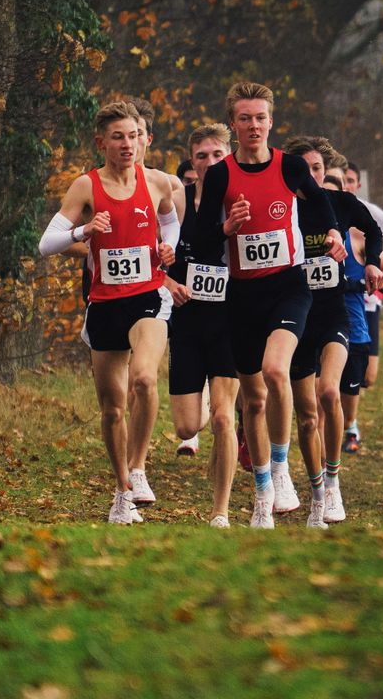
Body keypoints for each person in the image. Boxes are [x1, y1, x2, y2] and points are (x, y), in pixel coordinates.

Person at [185, 81, 344, 530]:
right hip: (242, 295)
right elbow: (198, 239)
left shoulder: (290, 167)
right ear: (233, 124)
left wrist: (332, 233)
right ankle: (261, 495)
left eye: (260, 118)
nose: (253, 126)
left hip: (288, 286)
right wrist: (226, 230)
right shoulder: (219, 176)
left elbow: (321, 207)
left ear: (270, 121)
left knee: (277, 372)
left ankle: (304, 486)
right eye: (244, 118)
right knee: (252, 401)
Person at [37, 98, 183, 524]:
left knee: (143, 378)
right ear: (102, 142)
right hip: (104, 303)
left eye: (134, 136)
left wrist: (169, 245)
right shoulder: (86, 187)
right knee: (113, 407)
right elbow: (46, 244)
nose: (127, 145)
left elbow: (171, 222)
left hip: (149, 296)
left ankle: (138, 469)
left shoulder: (156, 182)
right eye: (118, 137)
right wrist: (84, 230)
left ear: (142, 140)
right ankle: (121, 491)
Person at [281, 138, 383, 528]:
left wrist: (372, 263)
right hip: (295, 313)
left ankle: (334, 479)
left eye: (318, 169)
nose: (313, 176)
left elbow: (373, 230)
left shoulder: (339, 204)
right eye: (305, 169)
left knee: (329, 392)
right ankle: (315, 493)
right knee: (306, 417)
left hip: (333, 312)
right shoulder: (284, 207)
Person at [166, 122, 239, 525]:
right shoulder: (178, 202)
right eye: (201, 156)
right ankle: (213, 416)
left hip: (228, 321)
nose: (209, 163)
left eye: (217, 155)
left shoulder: (241, 203)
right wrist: (169, 282)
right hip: (187, 322)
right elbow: (151, 250)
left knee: (224, 419)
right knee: (186, 426)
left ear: (228, 156)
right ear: (190, 161)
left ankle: (220, 511)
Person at [339, 160, 383, 456]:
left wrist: (378, 273)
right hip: (327, 309)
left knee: (367, 375)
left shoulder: (364, 216)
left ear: (357, 185)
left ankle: (348, 417)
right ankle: (346, 427)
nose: (343, 186)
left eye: (349, 180)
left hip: (364, 305)